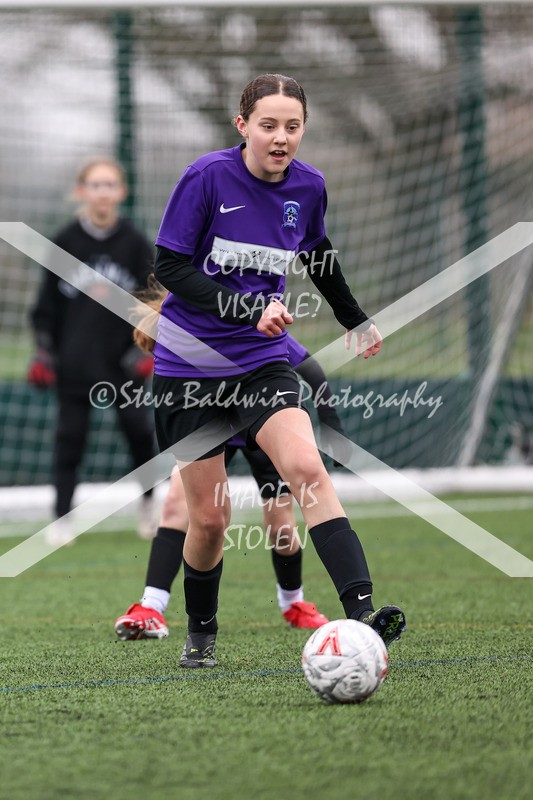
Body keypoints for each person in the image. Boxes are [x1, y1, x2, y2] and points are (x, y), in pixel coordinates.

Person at [151, 73, 406, 667]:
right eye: (268, 125)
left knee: (305, 468)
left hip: (261, 363)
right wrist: (244, 306)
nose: (281, 137)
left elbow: (316, 252)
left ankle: (363, 613)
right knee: (210, 521)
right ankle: (202, 635)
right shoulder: (207, 177)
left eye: (293, 126)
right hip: (189, 366)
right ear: (242, 125)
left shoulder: (310, 186)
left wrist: (354, 317)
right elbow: (169, 265)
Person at [114, 317, 349, 638]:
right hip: (210, 428)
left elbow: (310, 368)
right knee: (176, 505)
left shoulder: (251, 325)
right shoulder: (187, 327)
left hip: (262, 424)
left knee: (281, 525)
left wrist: (331, 425)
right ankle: (151, 606)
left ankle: (293, 601)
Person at [28, 156, 157, 545]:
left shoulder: (135, 243)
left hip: (123, 363)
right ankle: (62, 517)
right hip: (75, 362)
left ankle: (150, 506)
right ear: (81, 191)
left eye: (110, 184)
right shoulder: (65, 242)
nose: (103, 192)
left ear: (122, 191)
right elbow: (45, 307)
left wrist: (144, 348)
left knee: (139, 434)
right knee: (70, 438)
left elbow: (154, 302)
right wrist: (44, 350)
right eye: (95, 185)